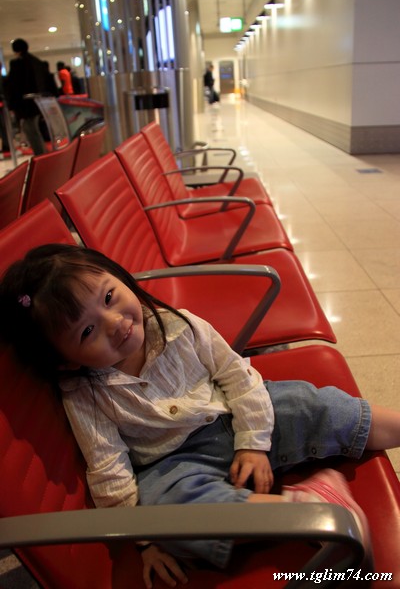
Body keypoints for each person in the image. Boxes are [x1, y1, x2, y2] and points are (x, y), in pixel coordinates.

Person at [1, 244, 400, 588]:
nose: (115, 323)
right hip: (174, 465)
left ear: (120, 278)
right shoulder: (84, 394)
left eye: (109, 297)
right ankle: (311, 507)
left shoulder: (180, 326)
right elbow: (109, 468)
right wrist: (145, 539)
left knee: (305, 402)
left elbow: (239, 379)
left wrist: (253, 442)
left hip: (231, 415)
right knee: (173, 512)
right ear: (66, 362)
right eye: (87, 332)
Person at [4, 38, 48, 155]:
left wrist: (12, 105)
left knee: (30, 130)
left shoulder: (17, 63)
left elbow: (14, 85)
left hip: (25, 105)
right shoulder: (36, 62)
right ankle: (42, 153)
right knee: (35, 130)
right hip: (37, 103)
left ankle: (40, 155)